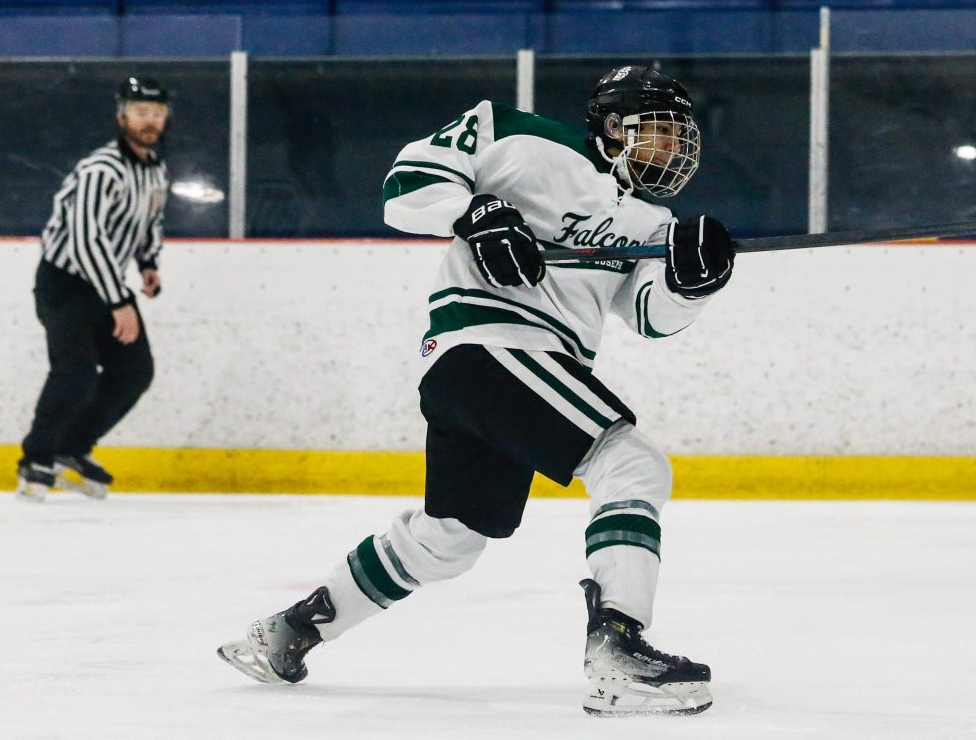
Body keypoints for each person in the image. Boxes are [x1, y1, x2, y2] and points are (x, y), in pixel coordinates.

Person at [217, 65, 735, 716]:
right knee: (631, 463)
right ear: (611, 125)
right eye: (657, 133)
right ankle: (618, 642)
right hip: (487, 344)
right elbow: (406, 186)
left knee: (449, 539)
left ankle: (291, 629)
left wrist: (694, 278)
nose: (669, 151)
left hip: (508, 373)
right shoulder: (516, 134)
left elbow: (649, 314)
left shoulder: (650, 219)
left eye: (676, 139)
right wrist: (475, 211)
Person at [15, 76, 169, 502]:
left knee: (134, 372)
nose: (149, 120)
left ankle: (71, 448)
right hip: (64, 283)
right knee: (75, 373)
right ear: (122, 116)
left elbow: (150, 220)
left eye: (156, 113)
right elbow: (86, 240)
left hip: (104, 284)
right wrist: (120, 301)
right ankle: (36, 458)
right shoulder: (99, 170)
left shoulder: (155, 169)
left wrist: (148, 262)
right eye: (141, 112)